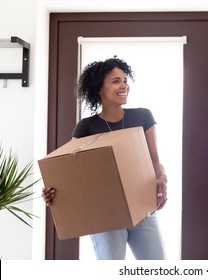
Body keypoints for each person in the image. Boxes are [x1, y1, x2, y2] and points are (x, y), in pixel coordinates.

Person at [42, 57, 167, 260]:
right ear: (99, 89)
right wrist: (55, 193)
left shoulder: (143, 117)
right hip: (106, 216)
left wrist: (162, 180)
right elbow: (65, 170)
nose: (124, 85)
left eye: (125, 80)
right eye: (116, 81)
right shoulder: (86, 127)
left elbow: (155, 161)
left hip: (143, 211)